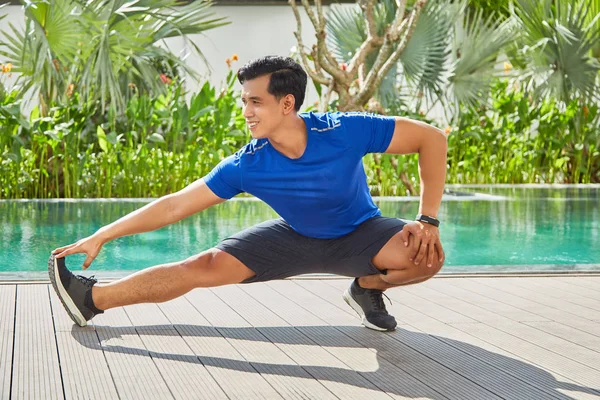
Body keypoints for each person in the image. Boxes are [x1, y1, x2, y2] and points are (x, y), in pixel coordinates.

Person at [49, 56, 447, 332]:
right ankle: (91, 298)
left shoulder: (343, 130)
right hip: (294, 238)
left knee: (427, 257)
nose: (246, 111)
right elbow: (175, 205)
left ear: (287, 103)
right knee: (201, 267)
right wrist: (104, 233)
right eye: (244, 101)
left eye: (255, 101)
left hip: (362, 232)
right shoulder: (248, 164)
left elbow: (431, 139)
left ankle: (367, 289)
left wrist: (427, 219)